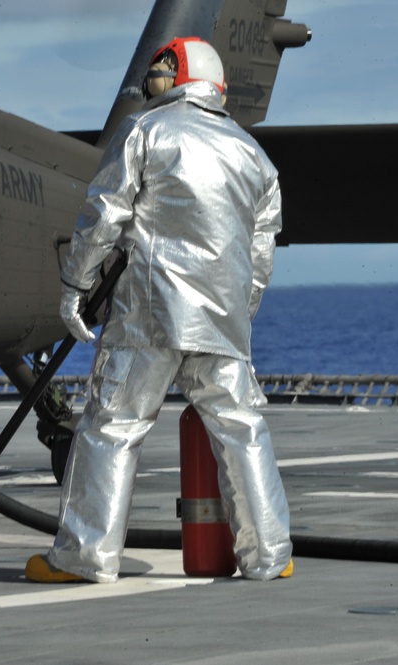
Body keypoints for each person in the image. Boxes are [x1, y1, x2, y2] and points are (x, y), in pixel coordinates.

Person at [25, 37, 292, 583]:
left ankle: (85, 557)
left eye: (161, 70)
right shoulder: (253, 156)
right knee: (242, 429)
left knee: (112, 428)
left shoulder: (146, 131)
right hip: (222, 325)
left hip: (148, 316)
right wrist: (240, 311)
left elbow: (104, 215)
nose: (152, 80)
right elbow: (259, 254)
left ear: (179, 75)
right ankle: (270, 556)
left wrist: (75, 284)